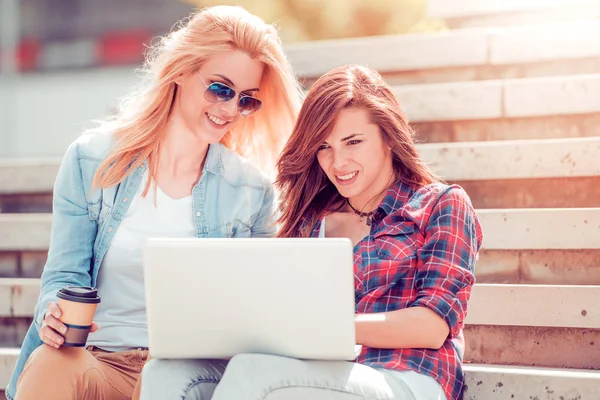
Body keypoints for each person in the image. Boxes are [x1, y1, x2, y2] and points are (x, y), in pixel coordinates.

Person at [6, 5, 302, 400]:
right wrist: (52, 316)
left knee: (163, 382)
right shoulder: (91, 160)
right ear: (181, 70)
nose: (230, 109)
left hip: (190, 372)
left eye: (246, 99)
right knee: (48, 363)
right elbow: (64, 276)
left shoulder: (250, 191)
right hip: (101, 361)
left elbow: (253, 312)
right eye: (220, 88)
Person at [138, 65, 483, 400]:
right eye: (324, 147)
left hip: (405, 378)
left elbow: (432, 326)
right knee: (168, 372)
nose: (338, 162)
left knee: (254, 373)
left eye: (353, 142)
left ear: (389, 138)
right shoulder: (311, 220)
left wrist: (319, 325)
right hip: (313, 373)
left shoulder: (440, 204)